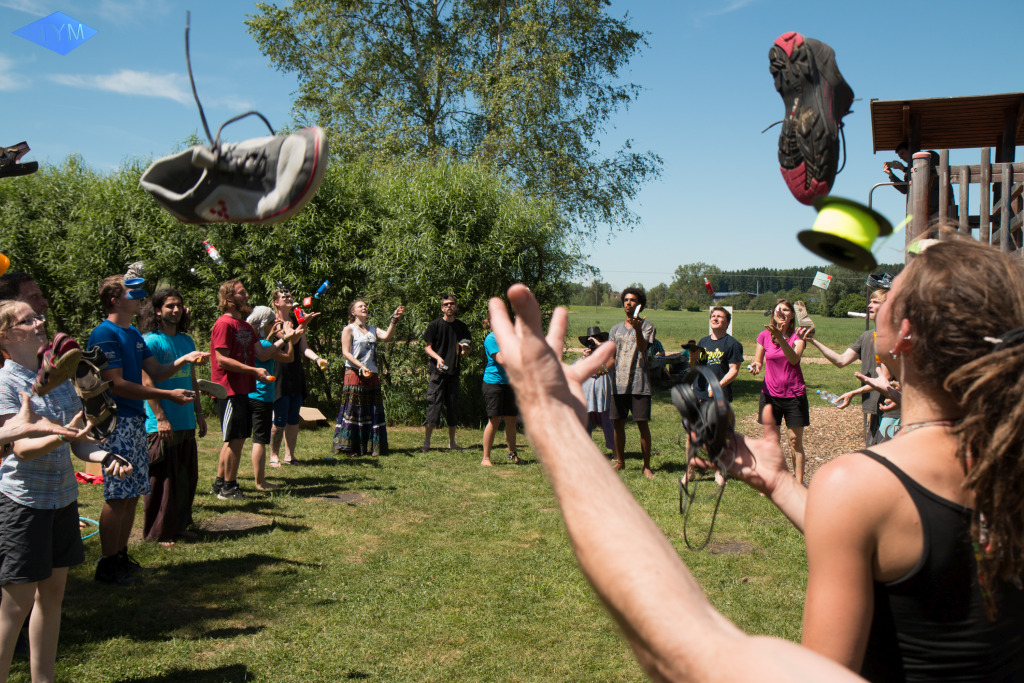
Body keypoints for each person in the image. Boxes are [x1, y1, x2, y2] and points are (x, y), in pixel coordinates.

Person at [486, 285, 865, 683]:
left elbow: (692, 652)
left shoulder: (861, 485)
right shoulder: (886, 498)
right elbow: (847, 542)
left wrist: (556, 424)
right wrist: (781, 485)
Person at [0, 300, 131, 682]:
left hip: (62, 498)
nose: (39, 323)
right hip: (23, 502)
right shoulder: (6, 382)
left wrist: (105, 455)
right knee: (15, 606)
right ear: (5, 336)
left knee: (52, 597)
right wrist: (59, 435)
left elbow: (80, 441)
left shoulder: (61, 377)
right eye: (27, 320)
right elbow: (21, 448)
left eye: (38, 317)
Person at [88, 276, 206, 583]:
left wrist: (183, 359)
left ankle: (121, 557)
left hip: (135, 420)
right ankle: (107, 565)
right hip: (116, 422)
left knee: (131, 494)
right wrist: (167, 396)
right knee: (118, 494)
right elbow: (116, 384)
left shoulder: (132, 334)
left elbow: (157, 371)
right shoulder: (105, 333)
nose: (140, 296)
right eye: (132, 293)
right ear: (114, 300)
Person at [209, 280, 300, 500]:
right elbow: (221, 359)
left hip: (243, 388)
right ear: (229, 298)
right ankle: (228, 487)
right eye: (242, 293)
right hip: (227, 390)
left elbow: (262, 353)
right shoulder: (224, 324)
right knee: (233, 439)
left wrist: (288, 336)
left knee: (237, 438)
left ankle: (221, 484)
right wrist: (253, 370)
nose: (247, 296)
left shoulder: (246, 326)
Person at [138, 288, 208, 545]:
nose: (176, 310)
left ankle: (178, 526)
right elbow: (146, 382)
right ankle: (158, 532)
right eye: (169, 306)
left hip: (185, 418)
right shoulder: (150, 342)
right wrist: (160, 418)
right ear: (158, 311)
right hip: (161, 422)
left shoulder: (186, 341)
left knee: (184, 478)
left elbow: (191, 379)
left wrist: (199, 413)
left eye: (178, 305)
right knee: (162, 480)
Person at [801, 287, 899, 445]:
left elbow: (885, 379)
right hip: (876, 407)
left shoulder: (894, 336)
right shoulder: (866, 337)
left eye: (875, 302)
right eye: (870, 302)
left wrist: (853, 392)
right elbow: (840, 361)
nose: (869, 305)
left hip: (893, 410)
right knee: (872, 454)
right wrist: (812, 341)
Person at [749, 299, 809, 484]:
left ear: (792, 315)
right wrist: (756, 366)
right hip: (770, 395)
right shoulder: (764, 335)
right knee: (771, 441)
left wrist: (780, 337)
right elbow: (758, 360)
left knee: (795, 441)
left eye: (785, 310)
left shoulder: (798, 336)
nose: (781, 312)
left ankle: (798, 482)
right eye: (778, 309)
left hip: (795, 395)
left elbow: (794, 359)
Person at [334, 300, 404, 456]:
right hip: (354, 373)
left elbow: (387, 336)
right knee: (354, 410)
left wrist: (394, 320)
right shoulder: (349, 329)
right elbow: (346, 353)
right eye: (360, 306)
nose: (364, 307)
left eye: (365, 306)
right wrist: (361, 366)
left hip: (371, 374)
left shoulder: (373, 329)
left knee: (371, 410)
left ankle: (370, 447)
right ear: (353, 312)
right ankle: (351, 447)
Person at [268, 287, 328, 466]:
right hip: (279, 370)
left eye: (290, 295)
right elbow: (290, 340)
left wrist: (317, 359)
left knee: (294, 415)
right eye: (284, 296)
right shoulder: (273, 322)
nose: (289, 297)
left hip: (295, 371)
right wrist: (304, 324)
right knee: (280, 417)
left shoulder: (295, 320)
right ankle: (273, 456)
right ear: (276, 302)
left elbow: (303, 347)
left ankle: (290, 456)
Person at [609, 287, 655, 478]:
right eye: (626, 300)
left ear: (639, 304)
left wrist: (637, 329)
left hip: (639, 383)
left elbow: (643, 347)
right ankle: (620, 462)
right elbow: (611, 357)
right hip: (618, 384)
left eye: (633, 300)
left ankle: (647, 466)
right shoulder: (615, 329)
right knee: (618, 424)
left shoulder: (647, 326)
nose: (628, 303)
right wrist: (599, 368)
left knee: (642, 425)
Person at [246, 306, 293, 489]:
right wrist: (288, 337)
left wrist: (272, 336)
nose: (275, 324)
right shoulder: (265, 345)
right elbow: (288, 357)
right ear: (264, 323)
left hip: (247, 393)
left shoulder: (251, 342)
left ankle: (225, 480)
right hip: (262, 395)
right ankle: (260, 482)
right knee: (260, 440)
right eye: (272, 321)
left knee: (236, 440)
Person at [422, 294, 470, 452]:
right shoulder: (434, 325)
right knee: (434, 405)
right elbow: (428, 347)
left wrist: (465, 351)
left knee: (453, 407)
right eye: (446, 304)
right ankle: (427, 443)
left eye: (452, 304)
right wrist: (438, 358)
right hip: (437, 372)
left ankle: (452, 442)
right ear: (442, 308)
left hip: (453, 372)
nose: (449, 306)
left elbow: (467, 348)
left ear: (456, 307)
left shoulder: (461, 327)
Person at [480, 318, 518, 466]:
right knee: (494, 420)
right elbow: (501, 359)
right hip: (493, 383)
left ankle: (512, 455)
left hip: (510, 382)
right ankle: (486, 458)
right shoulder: (492, 338)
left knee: (511, 419)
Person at [577, 327, 614, 454]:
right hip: (587, 399)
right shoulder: (585, 356)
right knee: (585, 426)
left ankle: (616, 453)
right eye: (590, 340)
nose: (592, 343)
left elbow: (608, 365)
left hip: (604, 398)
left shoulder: (608, 355)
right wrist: (584, 358)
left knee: (609, 425)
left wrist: (600, 347)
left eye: (595, 339)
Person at [698, 306, 743, 403]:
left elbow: (734, 370)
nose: (715, 318)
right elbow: (697, 366)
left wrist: (718, 386)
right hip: (700, 394)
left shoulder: (733, 344)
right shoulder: (703, 342)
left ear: (727, 322)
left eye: (719, 316)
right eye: (713, 316)